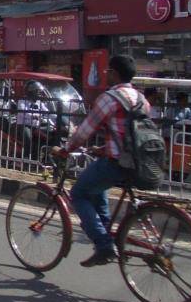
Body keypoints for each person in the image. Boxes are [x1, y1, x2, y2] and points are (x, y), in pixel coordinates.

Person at [53, 55, 151, 267]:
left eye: (109, 72)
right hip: (139, 162)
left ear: (114, 73)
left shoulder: (110, 98)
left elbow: (85, 131)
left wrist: (66, 150)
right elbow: (132, 136)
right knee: (98, 187)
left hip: (117, 163)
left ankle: (104, 245)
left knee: (78, 193)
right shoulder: (142, 100)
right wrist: (103, 149)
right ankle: (106, 234)